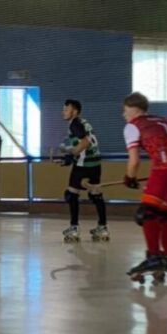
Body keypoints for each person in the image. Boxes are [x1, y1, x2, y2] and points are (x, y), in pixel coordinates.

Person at [122, 93, 167, 281]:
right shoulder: (164, 121)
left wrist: (130, 177)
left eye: (125, 111)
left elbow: (134, 161)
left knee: (147, 213)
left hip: (164, 170)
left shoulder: (132, 126)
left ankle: (153, 258)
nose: (123, 115)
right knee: (160, 214)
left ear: (134, 110)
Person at [59, 99, 108, 243]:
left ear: (74, 111)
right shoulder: (84, 122)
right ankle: (102, 227)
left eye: (66, 109)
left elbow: (85, 142)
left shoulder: (74, 124)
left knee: (71, 194)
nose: (63, 112)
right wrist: (71, 156)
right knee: (96, 195)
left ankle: (74, 229)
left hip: (83, 165)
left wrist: (71, 155)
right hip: (95, 164)